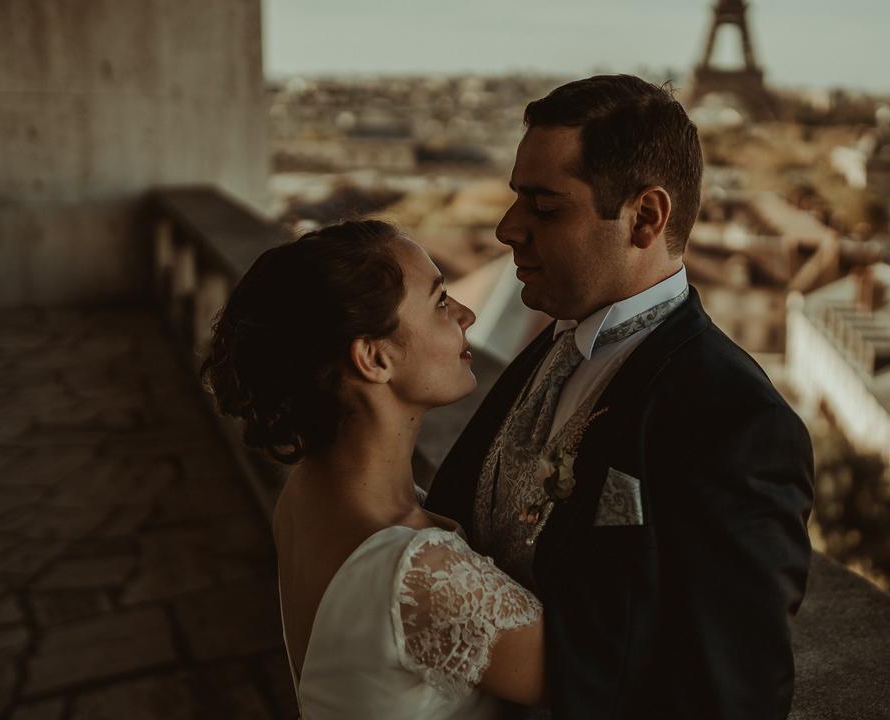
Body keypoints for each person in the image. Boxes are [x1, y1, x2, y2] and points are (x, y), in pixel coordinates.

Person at [426, 75, 815, 720]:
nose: (506, 229)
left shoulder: (737, 423)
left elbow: (732, 694)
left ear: (646, 217)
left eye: (544, 208)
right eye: (515, 200)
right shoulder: (553, 339)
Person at [201, 219, 546, 719]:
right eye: (441, 301)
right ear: (373, 357)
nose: (466, 314)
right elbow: (600, 679)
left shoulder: (307, 491)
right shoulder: (420, 574)